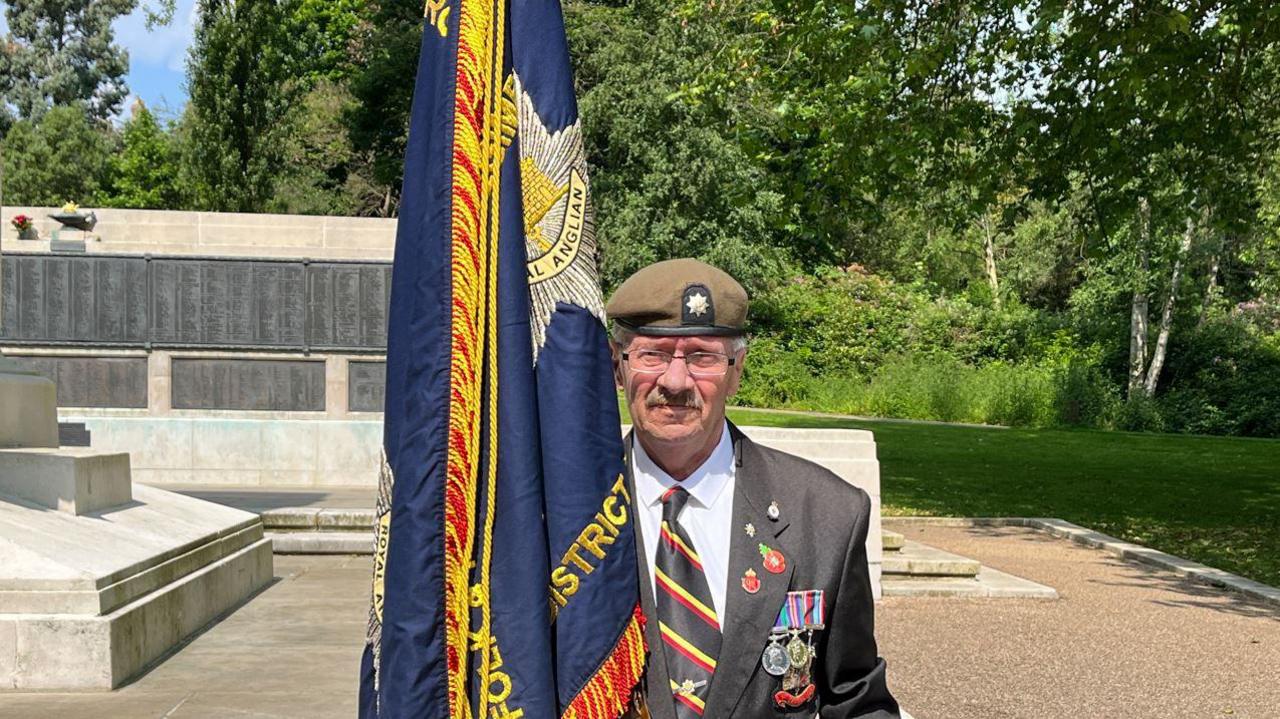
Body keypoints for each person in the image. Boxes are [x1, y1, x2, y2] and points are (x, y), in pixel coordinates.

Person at [607, 258, 899, 719]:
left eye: (702, 357)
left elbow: (858, 702)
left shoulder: (826, 515)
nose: (675, 380)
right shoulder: (570, 515)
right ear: (618, 366)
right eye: (653, 354)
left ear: (737, 369)